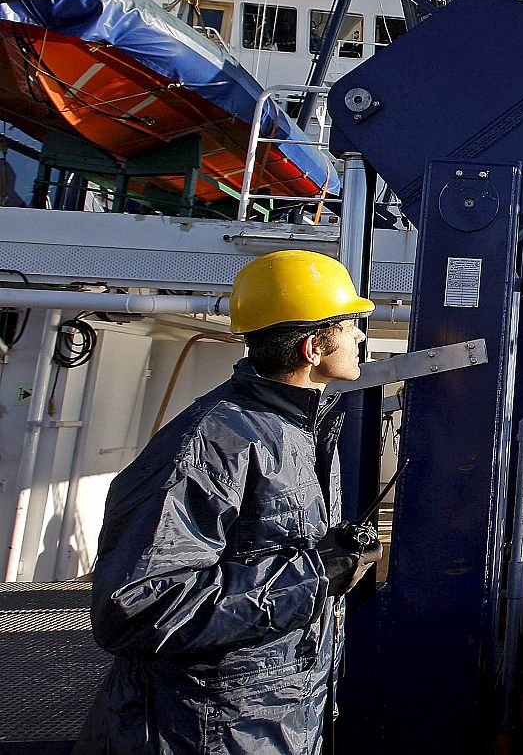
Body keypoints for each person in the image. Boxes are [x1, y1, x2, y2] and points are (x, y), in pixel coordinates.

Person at [75, 250, 381, 755]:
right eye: (350, 325)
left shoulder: (298, 427)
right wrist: (312, 577)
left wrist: (327, 548)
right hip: (204, 729)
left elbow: (259, 549)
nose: (360, 337)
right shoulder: (211, 444)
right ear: (311, 347)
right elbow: (134, 606)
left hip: (268, 718)